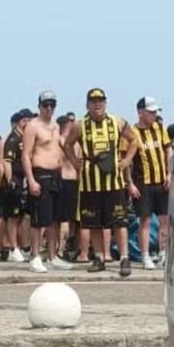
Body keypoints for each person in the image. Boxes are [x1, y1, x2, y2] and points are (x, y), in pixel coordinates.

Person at [62, 88, 138, 277]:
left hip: (114, 181)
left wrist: (127, 160)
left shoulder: (117, 121)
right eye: (94, 101)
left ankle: (124, 258)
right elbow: (67, 144)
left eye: (101, 101)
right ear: (87, 104)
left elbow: (134, 140)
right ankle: (99, 257)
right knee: (94, 223)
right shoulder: (80, 125)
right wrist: (73, 161)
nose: (97, 104)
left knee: (119, 222)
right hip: (90, 182)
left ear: (105, 103)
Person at [22, 91, 73, 273]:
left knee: (54, 219)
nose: (49, 108)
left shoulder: (55, 126)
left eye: (52, 105)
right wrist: (31, 180)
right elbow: (26, 155)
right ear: (39, 106)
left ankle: (52, 256)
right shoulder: (33, 126)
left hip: (56, 175)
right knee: (38, 219)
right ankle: (35, 255)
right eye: (46, 105)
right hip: (40, 173)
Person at [125, 97, 173, 270]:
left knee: (164, 219)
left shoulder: (160, 129)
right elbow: (126, 160)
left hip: (161, 182)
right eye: (150, 112)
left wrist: (169, 173)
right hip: (142, 182)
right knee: (144, 220)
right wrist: (129, 183)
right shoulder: (132, 132)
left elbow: (168, 150)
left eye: (155, 112)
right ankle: (145, 255)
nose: (154, 115)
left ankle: (164, 253)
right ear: (140, 112)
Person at [2, 109, 34, 262]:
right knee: (13, 217)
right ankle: (13, 248)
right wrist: (11, 181)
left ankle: (23, 246)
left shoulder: (25, 138)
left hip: (24, 180)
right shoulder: (13, 139)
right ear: (23, 121)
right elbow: (7, 161)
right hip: (15, 181)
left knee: (22, 216)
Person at [57, 115, 80, 260]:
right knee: (74, 220)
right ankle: (72, 248)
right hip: (75, 180)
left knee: (63, 220)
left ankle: (61, 249)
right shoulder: (76, 144)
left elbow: (57, 162)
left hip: (64, 179)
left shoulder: (58, 141)